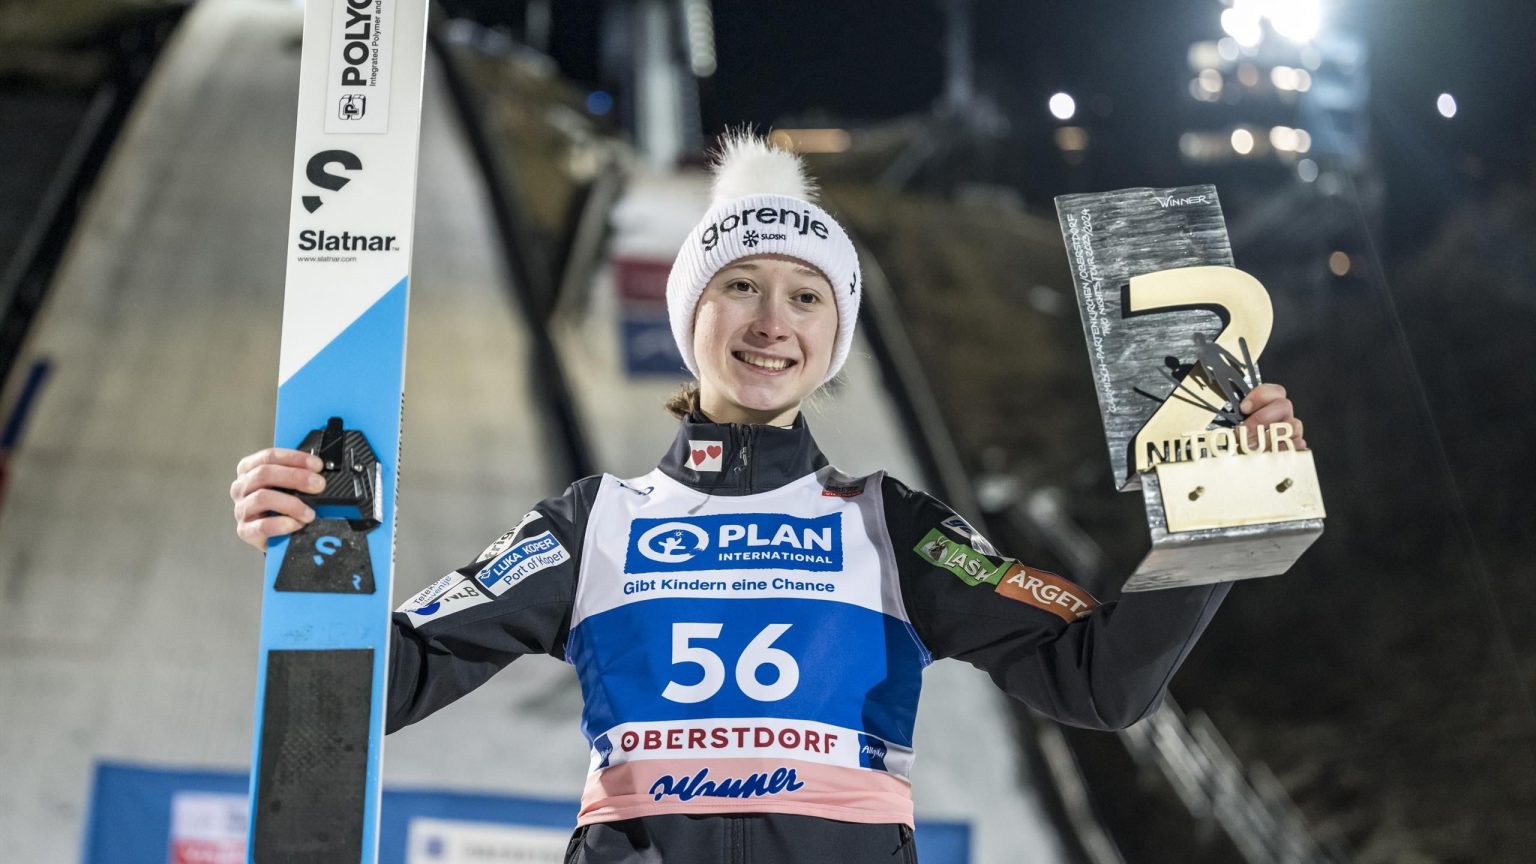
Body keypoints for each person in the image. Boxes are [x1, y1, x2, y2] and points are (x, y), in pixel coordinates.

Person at [230, 134, 1306, 863]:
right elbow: (375, 689)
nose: (770, 322)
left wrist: (1222, 512)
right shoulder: (592, 525)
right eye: (739, 285)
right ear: (690, 316)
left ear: (834, 343)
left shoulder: (895, 529)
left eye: (806, 297)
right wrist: (318, 540)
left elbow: (1101, 681)